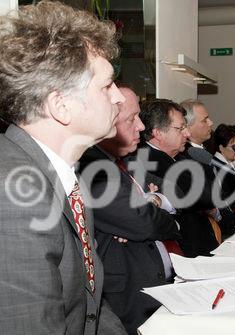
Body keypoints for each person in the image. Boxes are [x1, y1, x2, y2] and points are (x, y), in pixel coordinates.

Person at [0, 1, 127, 333]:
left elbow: (89, 306)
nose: (120, 98)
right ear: (61, 106)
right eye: (106, 85)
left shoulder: (65, 174)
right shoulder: (13, 197)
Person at [79, 87, 181, 333]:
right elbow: (142, 221)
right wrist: (162, 216)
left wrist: (153, 201)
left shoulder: (124, 160)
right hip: (129, 300)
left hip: (157, 284)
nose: (141, 127)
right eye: (131, 118)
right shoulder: (92, 165)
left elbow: (174, 192)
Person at [135, 98, 220, 257]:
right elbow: (204, 197)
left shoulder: (180, 156)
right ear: (158, 133)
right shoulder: (147, 160)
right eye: (181, 128)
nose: (187, 134)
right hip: (184, 254)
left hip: (201, 246)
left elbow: (212, 194)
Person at [177, 100, 235, 245]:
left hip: (222, 225)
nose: (211, 123)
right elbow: (208, 204)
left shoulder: (203, 152)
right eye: (205, 120)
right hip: (203, 237)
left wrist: (233, 211)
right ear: (188, 126)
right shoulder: (186, 157)